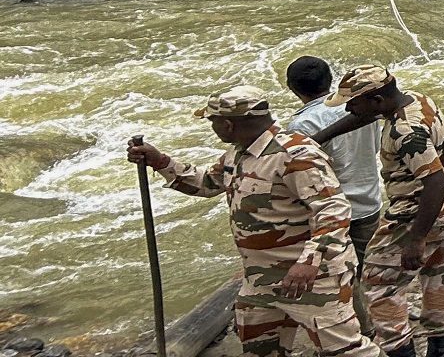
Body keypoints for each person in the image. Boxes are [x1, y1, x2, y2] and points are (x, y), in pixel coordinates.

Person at [125, 87, 383, 357]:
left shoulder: (295, 154)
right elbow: (206, 183)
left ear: (228, 124)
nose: (213, 128)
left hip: (311, 279)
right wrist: (160, 161)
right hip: (261, 280)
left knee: (345, 350)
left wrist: (309, 261)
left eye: (213, 122)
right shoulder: (238, 154)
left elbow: (333, 209)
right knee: (260, 348)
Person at [324, 65, 444, 357]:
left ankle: (401, 350)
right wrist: (320, 137)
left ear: (377, 100)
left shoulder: (404, 132)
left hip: (420, 214)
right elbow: (364, 116)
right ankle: (441, 350)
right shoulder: (416, 100)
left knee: (378, 284)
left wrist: (417, 239)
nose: (348, 109)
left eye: (352, 103)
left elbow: (434, 182)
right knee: (441, 277)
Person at [285, 56, 383, 338]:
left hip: (331, 213)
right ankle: (377, 327)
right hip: (369, 202)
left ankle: (360, 333)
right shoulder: (361, 108)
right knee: (363, 271)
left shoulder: (301, 125)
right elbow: (375, 147)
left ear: (292, 88)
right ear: (330, 80)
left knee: (339, 277)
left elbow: (305, 176)